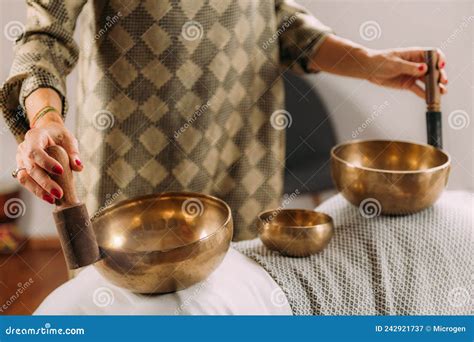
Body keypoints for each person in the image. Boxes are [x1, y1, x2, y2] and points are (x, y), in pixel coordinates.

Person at [1, 0, 448, 241]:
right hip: (137, 174)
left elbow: (274, 16)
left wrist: (366, 62)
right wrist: (43, 118)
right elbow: (45, 34)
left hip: (245, 163)